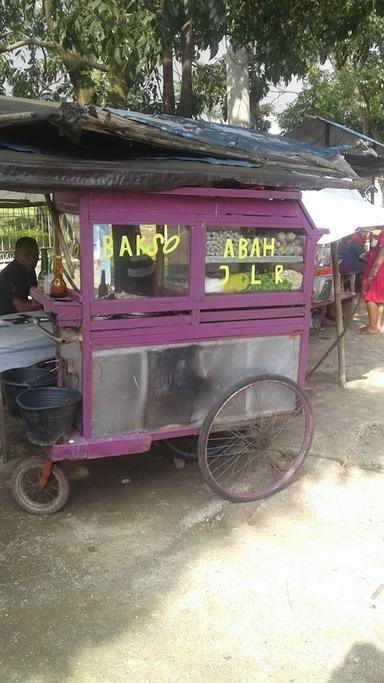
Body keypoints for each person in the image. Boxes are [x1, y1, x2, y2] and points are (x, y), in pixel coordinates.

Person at [0, 237, 41, 315]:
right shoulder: (9, 274)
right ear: (16, 255)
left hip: (19, 317)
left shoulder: (29, 270)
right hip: (5, 319)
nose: (32, 259)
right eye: (27, 255)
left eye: (36, 255)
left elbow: (36, 296)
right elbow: (21, 307)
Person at [360, 230, 384, 334]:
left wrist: (375, 269)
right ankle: (376, 325)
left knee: (370, 296)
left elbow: (383, 251)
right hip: (380, 269)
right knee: (379, 298)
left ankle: (373, 327)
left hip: (378, 270)